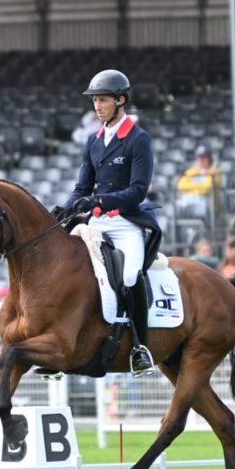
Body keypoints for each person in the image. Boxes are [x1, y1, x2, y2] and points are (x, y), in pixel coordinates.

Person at [58, 69, 161, 375]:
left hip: (127, 223)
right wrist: (65, 209)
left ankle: (141, 347)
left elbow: (137, 191)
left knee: (129, 277)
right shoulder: (93, 141)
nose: (97, 106)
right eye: (95, 101)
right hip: (97, 225)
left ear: (121, 100)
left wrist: (99, 201)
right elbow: (81, 188)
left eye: (102, 100)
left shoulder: (138, 139)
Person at [176, 146, 223, 218]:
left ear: (209, 158)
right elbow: (181, 185)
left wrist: (191, 188)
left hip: (208, 201)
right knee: (177, 205)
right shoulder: (193, 171)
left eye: (204, 157)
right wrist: (198, 186)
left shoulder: (215, 171)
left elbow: (208, 188)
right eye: (199, 157)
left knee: (196, 205)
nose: (201, 160)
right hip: (191, 199)